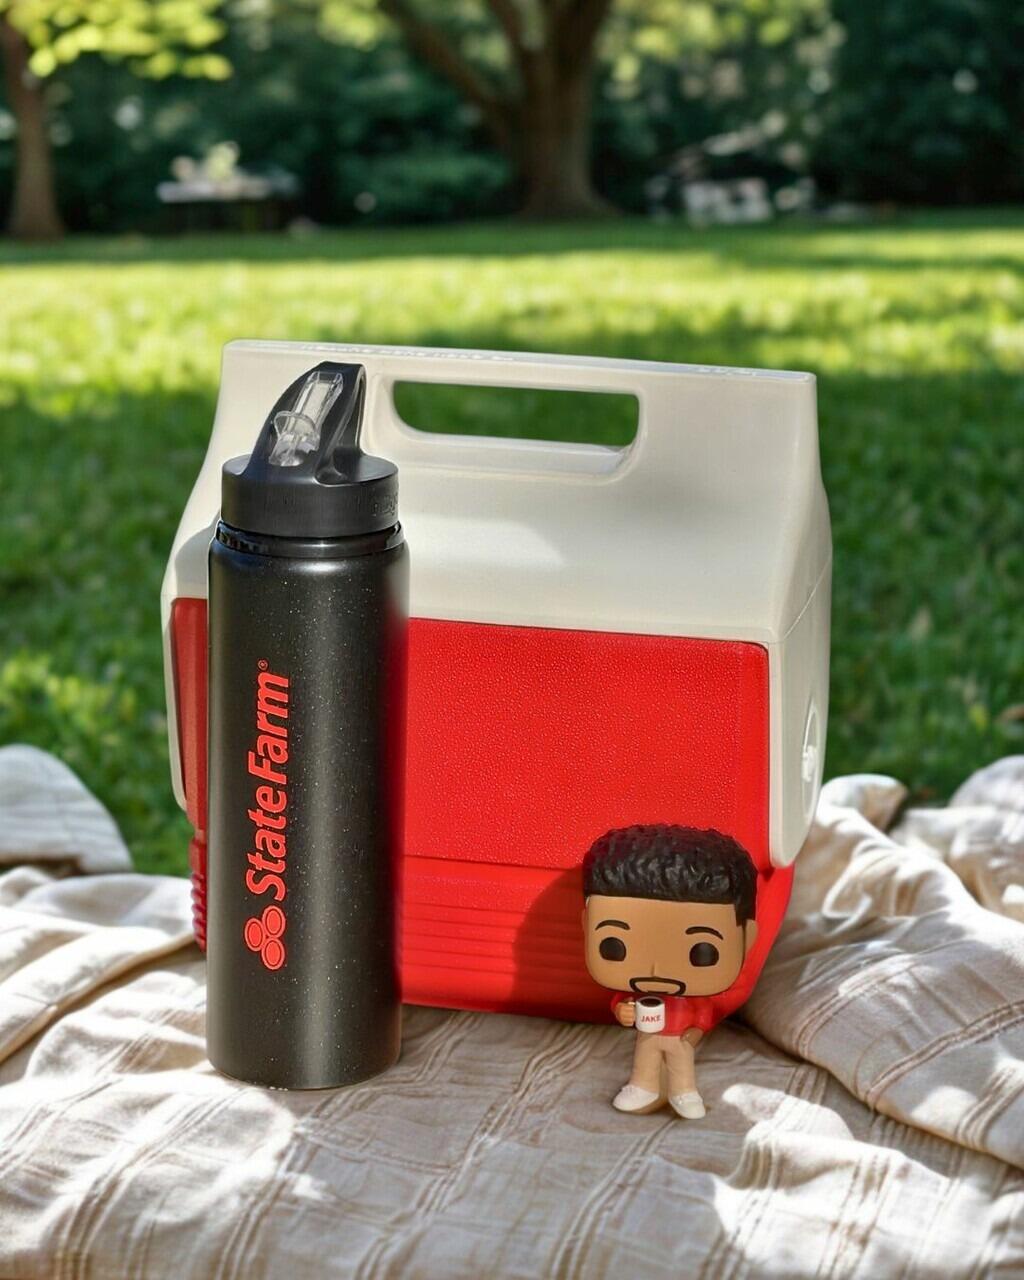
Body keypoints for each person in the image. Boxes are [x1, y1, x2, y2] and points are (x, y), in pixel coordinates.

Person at [582, 824, 758, 1118]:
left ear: (746, 938)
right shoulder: (637, 993)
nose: (656, 969)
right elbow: (621, 1002)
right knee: (645, 1060)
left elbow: (704, 1012)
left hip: (680, 1037)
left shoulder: (692, 997)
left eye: (702, 952)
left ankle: (684, 1093)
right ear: (586, 926)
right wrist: (623, 1011)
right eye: (614, 946)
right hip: (648, 1034)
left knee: (681, 1066)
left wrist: (695, 1032)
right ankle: (643, 1087)